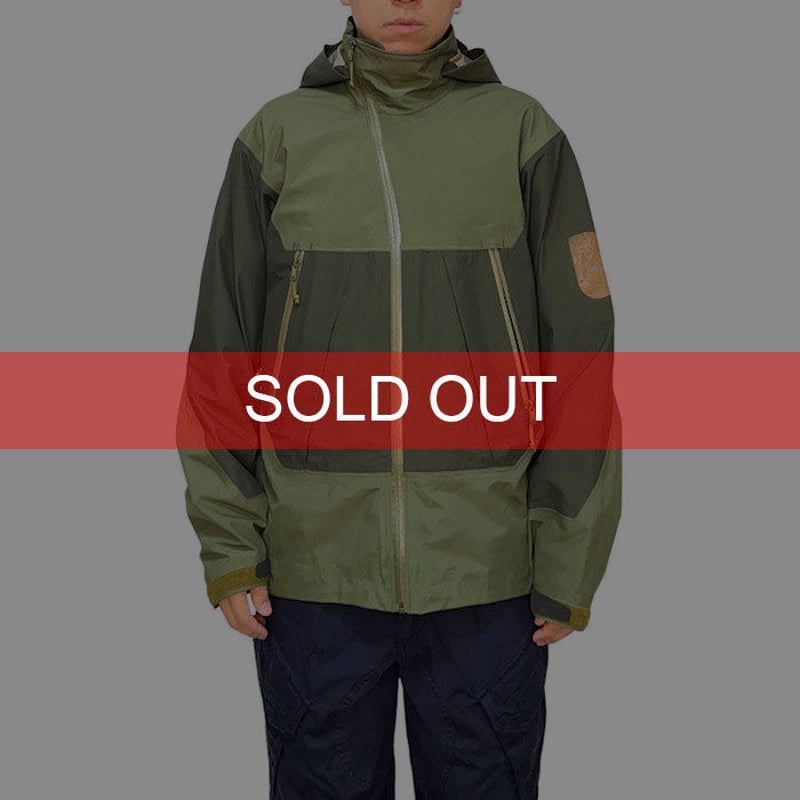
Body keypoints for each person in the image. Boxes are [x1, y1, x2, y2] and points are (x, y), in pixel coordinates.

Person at [177, 1, 622, 797]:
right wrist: (230, 546)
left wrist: (568, 556)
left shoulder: (522, 132)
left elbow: (581, 359)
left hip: (488, 571)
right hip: (313, 574)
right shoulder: (278, 137)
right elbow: (222, 354)